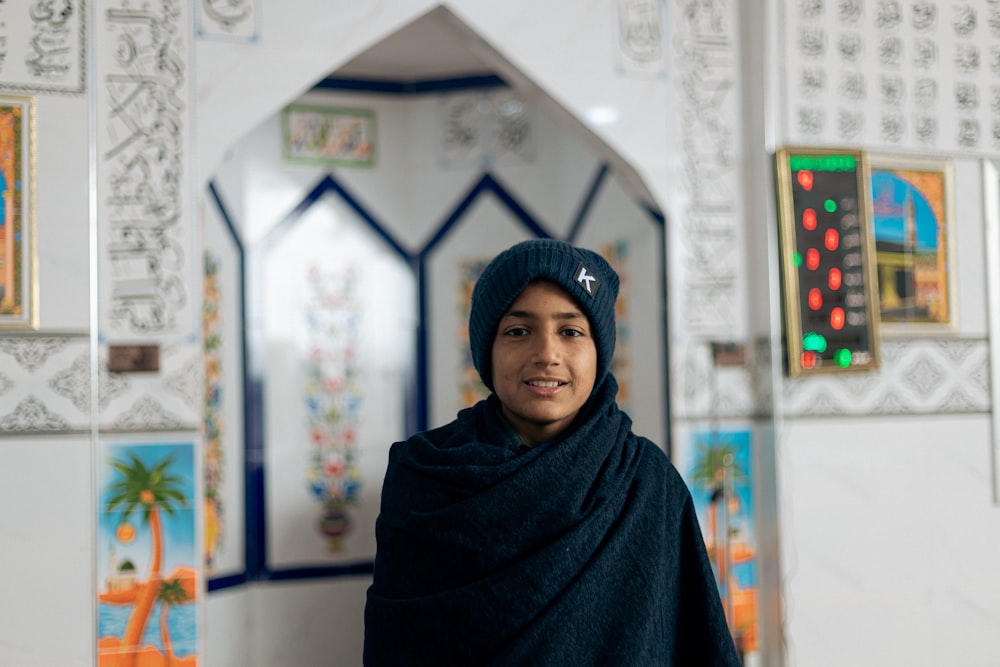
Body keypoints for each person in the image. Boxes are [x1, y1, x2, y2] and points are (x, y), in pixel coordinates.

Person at [364, 239, 741, 665]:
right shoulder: (425, 476)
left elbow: (694, 641)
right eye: (518, 331)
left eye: (571, 331)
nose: (546, 354)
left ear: (599, 350)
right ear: (485, 350)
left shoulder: (643, 483)